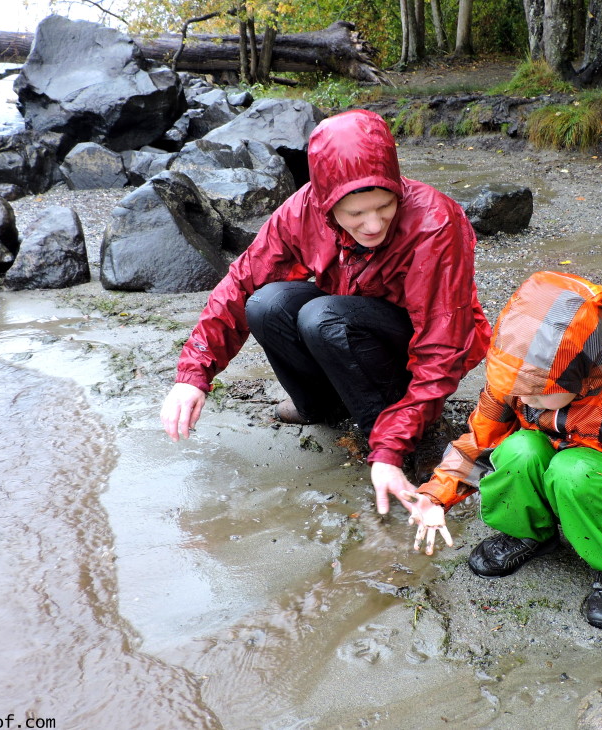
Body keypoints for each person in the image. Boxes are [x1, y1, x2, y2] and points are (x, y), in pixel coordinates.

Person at [160, 109, 491, 516]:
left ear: (396, 190)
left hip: (412, 344)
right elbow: (240, 281)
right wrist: (193, 375)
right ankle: (321, 405)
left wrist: (388, 448)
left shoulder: (434, 222)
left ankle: (414, 431)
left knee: (323, 317)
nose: (373, 225)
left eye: (384, 206)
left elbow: (442, 346)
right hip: (349, 320)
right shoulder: (303, 209)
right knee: (266, 304)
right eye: (355, 214)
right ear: (326, 203)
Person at [405, 271, 602, 633]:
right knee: (517, 449)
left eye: (539, 392)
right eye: (517, 387)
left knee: (573, 470)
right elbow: (478, 441)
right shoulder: (514, 384)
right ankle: (528, 532)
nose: (525, 399)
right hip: (553, 468)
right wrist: (435, 496)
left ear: (578, 373)